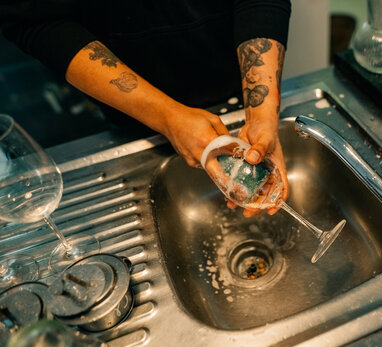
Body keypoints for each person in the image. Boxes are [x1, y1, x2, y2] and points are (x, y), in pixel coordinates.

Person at [0, 0, 291, 217]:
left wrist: (261, 113)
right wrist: (165, 116)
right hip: (132, 111)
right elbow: (34, 19)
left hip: (233, 77)